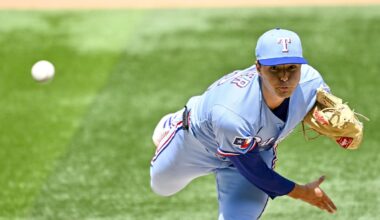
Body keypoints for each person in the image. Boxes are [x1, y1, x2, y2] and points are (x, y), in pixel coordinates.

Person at [150, 28, 337, 220]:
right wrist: (300, 191)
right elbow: (254, 170)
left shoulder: (312, 82)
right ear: (258, 67)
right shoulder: (232, 113)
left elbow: (330, 111)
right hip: (197, 144)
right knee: (162, 186)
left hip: (255, 148)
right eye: (274, 68)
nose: (284, 77)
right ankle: (175, 121)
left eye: (291, 68)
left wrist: (341, 132)